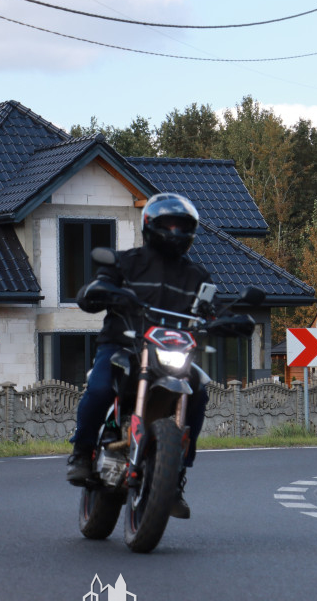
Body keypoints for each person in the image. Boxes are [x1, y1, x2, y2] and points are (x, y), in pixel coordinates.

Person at [66, 192, 211, 520]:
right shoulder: (124, 262)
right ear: (151, 226)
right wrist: (97, 291)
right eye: (168, 225)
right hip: (121, 347)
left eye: (181, 226)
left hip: (172, 353)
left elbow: (209, 310)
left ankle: (175, 475)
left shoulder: (197, 276)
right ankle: (80, 452)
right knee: (101, 387)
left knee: (199, 393)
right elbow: (95, 290)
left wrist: (229, 319)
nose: (174, 232)